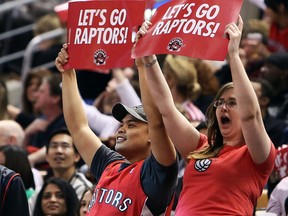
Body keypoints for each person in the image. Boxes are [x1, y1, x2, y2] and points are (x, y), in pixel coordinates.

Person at [135, 16, 276, 215]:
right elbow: (166, 109)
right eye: (220, 102)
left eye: (232, 102)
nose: (223, 107)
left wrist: (233, 55)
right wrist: (149, 57)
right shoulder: (200, 146)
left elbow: (250, 116)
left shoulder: (259, 156)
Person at [55, 43, 178, 214]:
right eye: (121, 125)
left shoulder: (156, 174)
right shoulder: (110, 165)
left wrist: (143, 65)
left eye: (131, 125)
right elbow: (78, 128)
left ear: (152, 135)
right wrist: (68, 73)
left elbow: (156, 120)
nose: (121, 129)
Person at [44, 127, 92, 199]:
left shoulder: (85, 189)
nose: (59, 151)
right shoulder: (42, 186)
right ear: (47, 156)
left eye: (65, 146)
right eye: (54, 146)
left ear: (77, 156)